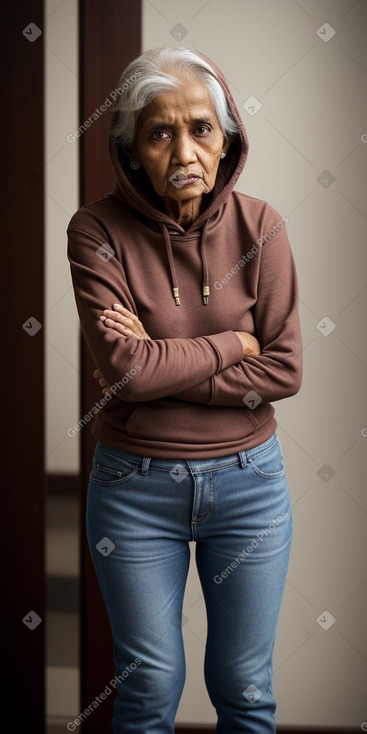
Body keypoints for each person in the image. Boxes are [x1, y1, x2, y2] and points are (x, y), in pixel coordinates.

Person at [67, 46, 302, 734]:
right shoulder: (95, 230)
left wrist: (153, 364)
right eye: (159, 131)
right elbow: (127, 373)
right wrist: (234, 342)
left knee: (245, 687)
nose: (183, 149)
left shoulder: (263, 228)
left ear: (227, 138)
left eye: (200, 128)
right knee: (146, 692)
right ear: (133, 149)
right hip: (133, 490)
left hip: (249, 485)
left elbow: (284, 371)